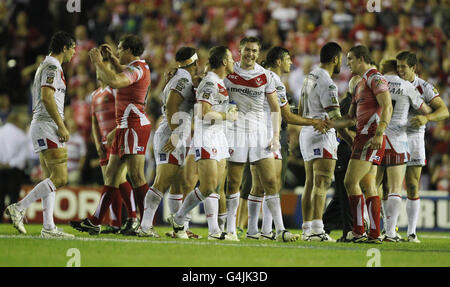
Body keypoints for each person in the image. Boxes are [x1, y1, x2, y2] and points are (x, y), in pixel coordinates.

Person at [70, 34, 151, 234]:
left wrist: (99, 62)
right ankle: (95, 220)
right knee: (112, 175)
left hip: (133, 125)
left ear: (130, 51)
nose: (118, 52)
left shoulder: (137, 68)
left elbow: (114, 81)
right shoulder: (136, 67)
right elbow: (121, 71)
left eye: (120, 49)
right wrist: (112, 59)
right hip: (124, 126)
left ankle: (145, 224)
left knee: (136, 175)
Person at [246, 46, 328, 241]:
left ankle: (259, 231)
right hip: (266, 135)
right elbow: (287, 116)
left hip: (256, 133)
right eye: (288, 59)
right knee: (272, 183)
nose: (291, 63)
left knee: (259, 185)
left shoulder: (261, 76)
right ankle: (279, 230)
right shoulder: (274, 81)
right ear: (278, 62)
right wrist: (314, 121)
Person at [224, 37, 297, 242]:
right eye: (247, 50)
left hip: (260, 133)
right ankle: (231, 229)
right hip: (236, 131)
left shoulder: (265, 75)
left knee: (270, 182)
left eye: (254, 51)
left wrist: (275, 136)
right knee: (234, 183)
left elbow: (275, 108)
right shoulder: (230, 73)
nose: (250, 54)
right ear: (240, 50)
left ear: (258, 53)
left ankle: (280, 230)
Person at [5, 31, 76, 238]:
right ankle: (19, 207)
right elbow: (46, 97)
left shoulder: (48, 66)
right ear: (64, 47)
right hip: (47, 125)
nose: (73, 52)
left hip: (43, 125)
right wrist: (61, 125)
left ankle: (48, 227)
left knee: (50, 177)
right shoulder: (52, 66)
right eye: (72, 48)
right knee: (61, 178)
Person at [167, 45, 238, 240]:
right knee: (207, 187)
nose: (234, 62)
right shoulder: (210, 83)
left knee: (215, 187)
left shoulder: (218, 82)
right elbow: (203, 113)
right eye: (231, 58)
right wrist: (227, 115)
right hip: (206, 138)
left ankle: (214, 230)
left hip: (219, 137)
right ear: (224, 62)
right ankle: (180, 218)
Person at [331, 45, 392, 243]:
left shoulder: (376, 78)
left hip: (371, 137)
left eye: (350, 59)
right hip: (362, 137)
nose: (347, 63)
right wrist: (328, 123)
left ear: (361, 59)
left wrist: (379, 133)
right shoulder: (359, 84)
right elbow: (350, 118)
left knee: (350, 181)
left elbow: (387, 105)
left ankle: (358, 231)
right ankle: (374, 234)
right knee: (368, 185)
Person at [137, 47, 198, 238]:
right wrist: (175, 133)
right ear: (194, 62)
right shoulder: (183, 79)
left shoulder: (179, 76)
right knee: (161, 181)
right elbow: (172, 105)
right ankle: (145, 226)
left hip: (175, 133)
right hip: (171, 133)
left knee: (178, 184)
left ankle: (180, 230)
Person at [396, 51, 449, 243]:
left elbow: (443, 111)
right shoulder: (392, 83)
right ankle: (389, 230)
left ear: (413, 68)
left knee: (411, 184)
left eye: (403, 66)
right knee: (388, 184)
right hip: (394, 135)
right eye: (398, 66)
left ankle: (411, 232)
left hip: (414, 138)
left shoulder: (424, 87)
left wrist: (426, 118)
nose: (399, 70)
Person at [376, 59, 432, 242]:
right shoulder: (406, 86)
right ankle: (391, 232)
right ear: (395, 68)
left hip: (377, 137)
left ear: (383, 68)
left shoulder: (376, 82)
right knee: (394, 188)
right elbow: (425, 109)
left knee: (373, 186)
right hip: (398, 139)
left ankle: (373, 229)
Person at [298, 42, 344, 242]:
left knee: (310, 182)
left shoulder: (310, 76)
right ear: (335, 59)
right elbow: (335, 116)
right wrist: (350, 133)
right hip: (321, 134)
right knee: (322, 181)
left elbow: (300, 110)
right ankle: (317, 228)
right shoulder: (327, 82)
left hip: (307, 132)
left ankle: (307, 227)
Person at [323, 75, 361, 242]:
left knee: (341, 196)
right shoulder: (348, 104)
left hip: (348, 152)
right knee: (344, 195)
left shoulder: (357, 104)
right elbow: (341, 129)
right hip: (345, 152)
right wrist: (355, 139)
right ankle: (347, 231)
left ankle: (323, 226)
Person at [0, 110, 29, 218]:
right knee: (13, 198)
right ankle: (13, 220)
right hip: (14, 171)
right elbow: (22, 156)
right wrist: (10, 163)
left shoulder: (1, 131)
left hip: (1, 170)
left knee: (0, 197)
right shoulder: (21, 135)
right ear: (16, 121)